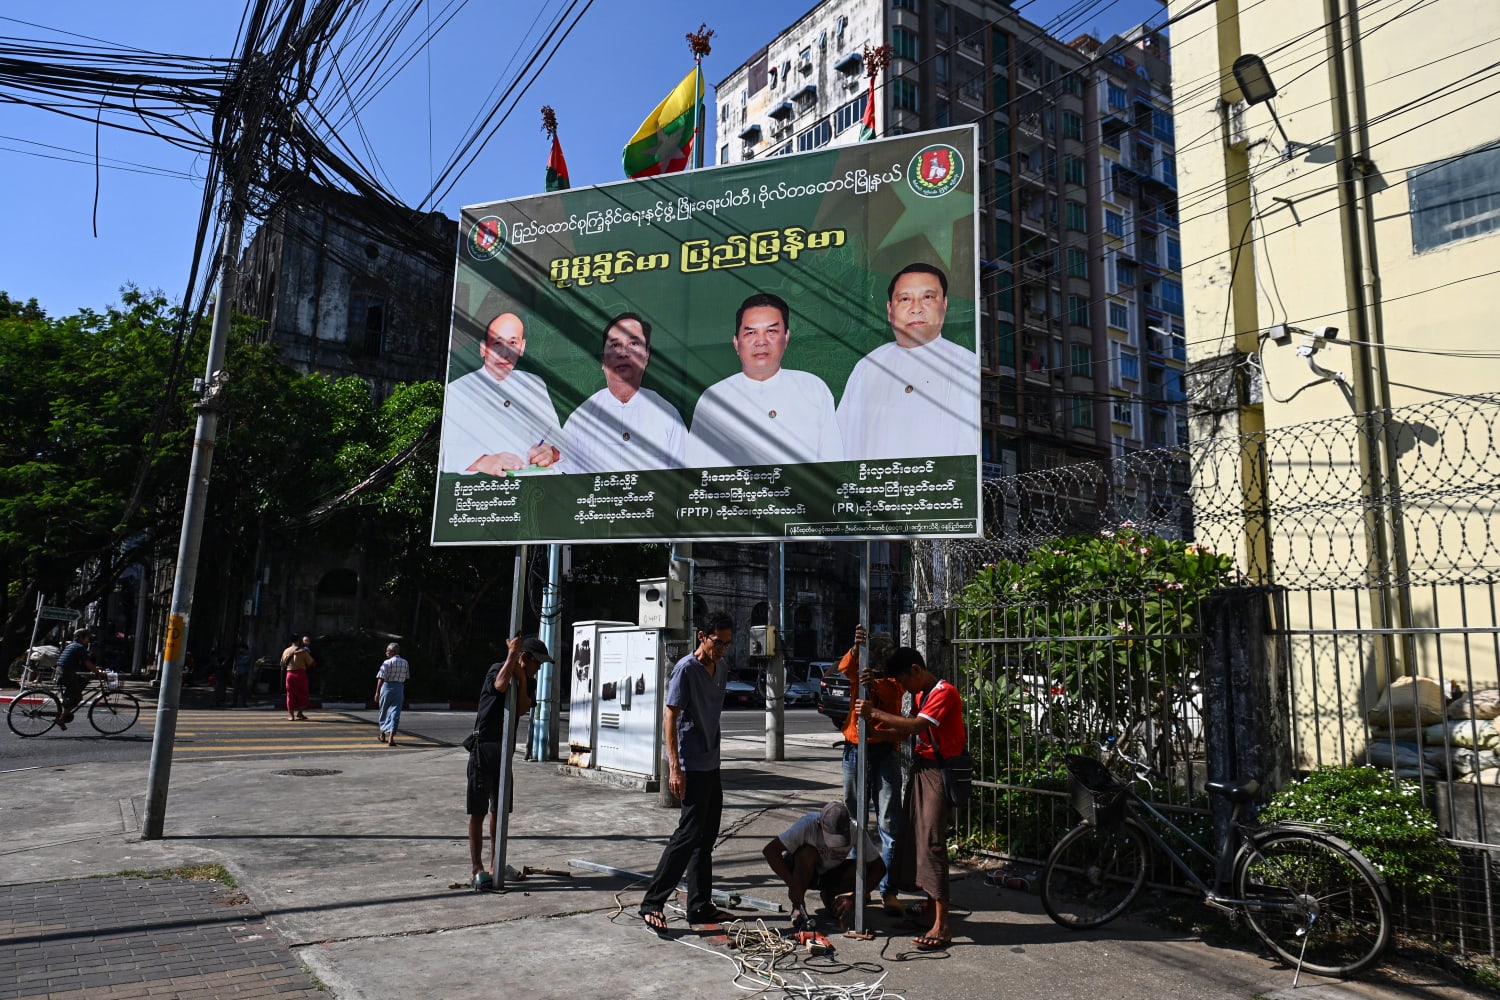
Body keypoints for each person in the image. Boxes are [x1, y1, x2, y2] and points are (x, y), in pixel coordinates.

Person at [854, 646, 966, 951]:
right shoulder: (921, 696)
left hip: (938, 773)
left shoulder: (945, 692)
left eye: (904, 682)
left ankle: (942, 926)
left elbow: (917, 726)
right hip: (922, 770)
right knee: (916, 841)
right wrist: (877, 732)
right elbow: (906, 733)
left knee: (931, 842)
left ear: (916, 670)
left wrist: (875, 712)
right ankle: (931, 912)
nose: (904, 689)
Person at [638, 611, 736, 935]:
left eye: (727, 644)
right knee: (687, 835)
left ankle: (699, 904)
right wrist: (674, 767)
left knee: (705, 838)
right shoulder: (685, 669)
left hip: (712, 762)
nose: (722, 649)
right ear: (701, 637)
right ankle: (653, 902)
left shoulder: (721, 667)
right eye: (717, 642)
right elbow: (670, 717)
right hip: (691, 765)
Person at [836, 263, 979, 460]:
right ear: (889, 309)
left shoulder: (967, 366)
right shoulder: (868, 367)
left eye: (927, 298)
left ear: (944, 304)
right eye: (905, 299)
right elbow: (841, 443)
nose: (916, 309)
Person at [684, 293, 843, 468]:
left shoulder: (814, 389)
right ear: (736, 343)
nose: (761, 341)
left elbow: (834, 466)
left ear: (786, 337)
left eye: (771, 331)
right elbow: (694, 472)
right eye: (751, 332)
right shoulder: (713, 398)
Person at [468, 635, 552, 891]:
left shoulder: (529, 680)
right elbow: (500, 685)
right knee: (479, 811)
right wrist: (510, 658)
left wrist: (524, 679)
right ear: (525, 658)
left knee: (500, 810)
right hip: (484, 748)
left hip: (505, 752)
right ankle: (477, 869)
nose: (539, 668)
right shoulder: (498, 668)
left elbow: (523, 708)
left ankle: (496, 863)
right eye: (537, 663)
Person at [835, 625, 907, 915]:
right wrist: (855, 648)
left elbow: (894, 691)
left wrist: (876, 684)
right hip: (855, 750)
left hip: (885, 752)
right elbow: (845, 668)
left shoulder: (892, 680)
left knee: (889, 823)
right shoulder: (859, 672)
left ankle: (888, 890)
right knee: (856, 823)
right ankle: (859, 886)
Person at [558, 312, 687, 473]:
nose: (623, 353)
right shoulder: (581, 418)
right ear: (603, 359)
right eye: (614, 345)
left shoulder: (668, 415)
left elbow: (683, 484)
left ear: (647, 355)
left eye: (633, 343)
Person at [439, 311, 565, 475]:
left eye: (512, 343)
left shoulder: (534, 384)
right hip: (479, 492)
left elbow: (558, 441)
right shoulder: (457, 390)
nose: (504, 353)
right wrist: (482, 461)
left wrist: (551, 452)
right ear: (483, 348)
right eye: (497, 343)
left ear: (522, 347)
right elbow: (441, 453)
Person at [761, 800, 884, 930]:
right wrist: (793, 885)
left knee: (864, 869)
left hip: (829, 872)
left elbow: (879, 868)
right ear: (819, 824)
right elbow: (770, 851)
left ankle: (829, 894)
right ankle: (798, 907)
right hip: (804, 872)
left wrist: (854, 898)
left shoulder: (855, 829)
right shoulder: (807, 825)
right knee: (807, 853)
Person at [55, 628, 104, 730]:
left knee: (84, 680)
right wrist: (99, 672)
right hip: (66, 674)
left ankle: (68, 701)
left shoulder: (72, 645)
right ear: (81, 637)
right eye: (87, 637)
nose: (88, 640)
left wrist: (94, 668)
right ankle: (62, 718)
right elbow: (87, 664)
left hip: (62, 672)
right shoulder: (79, 647)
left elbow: (86, 663)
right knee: (78, 697)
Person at [375, 643, 410, 746]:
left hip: (387, 687)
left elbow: (381, 678)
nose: (386, 652)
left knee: (384, 711)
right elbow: (406, 676)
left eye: (387, 651)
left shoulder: (386, 662)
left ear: (392, 652)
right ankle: (391, 738)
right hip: (399, 688)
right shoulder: (405, 662)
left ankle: (382, 735)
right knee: (395, 712)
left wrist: (377, 692)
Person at [280, 634, 315, 722]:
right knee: (303, 693)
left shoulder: (286, 651)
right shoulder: (303, 651)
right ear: (299, 641)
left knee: (290, 695)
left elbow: (282, 663)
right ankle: (300, 712)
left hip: (289, 675)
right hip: (301, 674)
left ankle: (291, 716)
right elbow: (311, 663)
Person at [231, 642, 253, 708]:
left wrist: (239, 662)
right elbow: (236, 662)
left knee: (243, 688)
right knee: (236, 689)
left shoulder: (249, 655)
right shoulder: (238, 655)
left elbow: (244, 662)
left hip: (244, 673)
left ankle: (244, 702)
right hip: (238, 672)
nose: (240, 650)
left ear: (245, 649)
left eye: (241, 649)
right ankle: (234, 702)